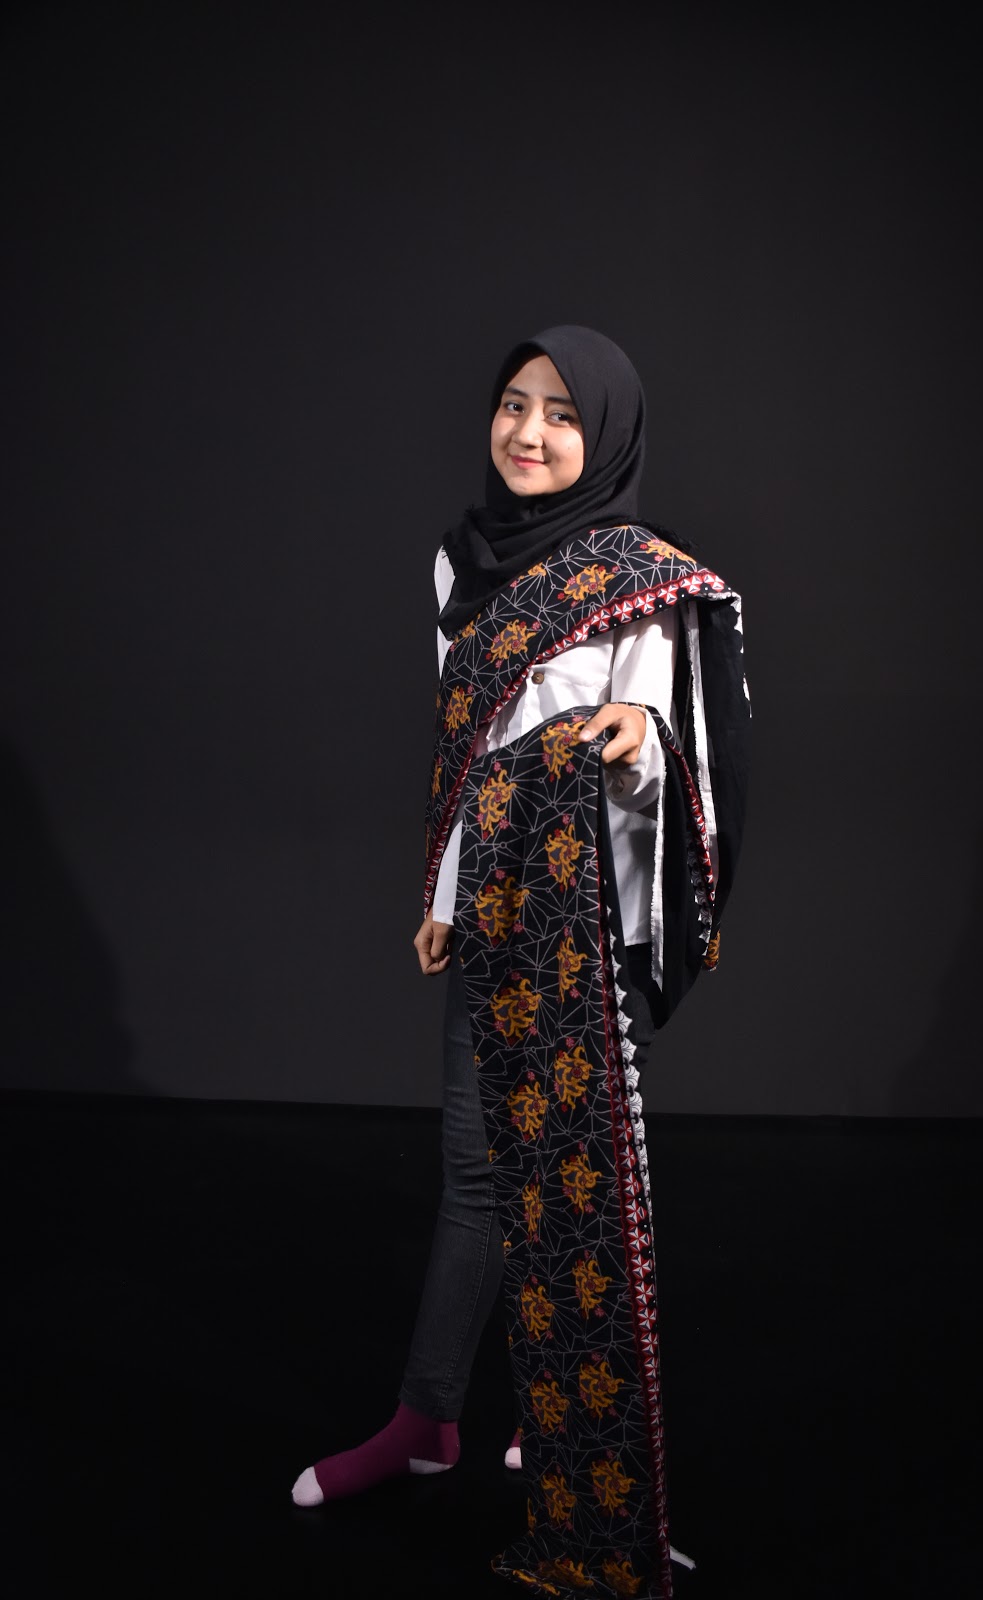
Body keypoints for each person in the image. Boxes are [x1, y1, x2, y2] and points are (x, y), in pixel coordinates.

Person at [292, 326, 750, 1599]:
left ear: (603, 436)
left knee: (575, 1178)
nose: (529, 432)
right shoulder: (460, 560)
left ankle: (567, 1433)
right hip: (488, 902)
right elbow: (464, 749)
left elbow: (664, 747)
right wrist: (440, 892)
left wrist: (635, 738)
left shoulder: (639, 577)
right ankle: (425, 1419)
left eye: (559, 413)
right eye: (512, 404)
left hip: (582, 916)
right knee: (474, 1171)